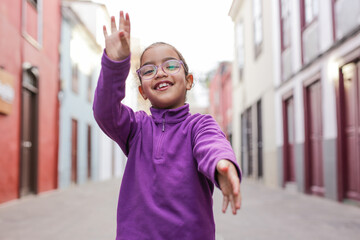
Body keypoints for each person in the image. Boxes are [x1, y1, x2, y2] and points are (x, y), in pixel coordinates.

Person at [93, 11, 242, 240]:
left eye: (171, 66)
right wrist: (115, 64)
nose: (160, 72)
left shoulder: (199, 125)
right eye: (149, 70)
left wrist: (221, 165)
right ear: (142, 91)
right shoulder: (135, 128)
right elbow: (105, 110)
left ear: (189, 80)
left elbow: (211, 144)